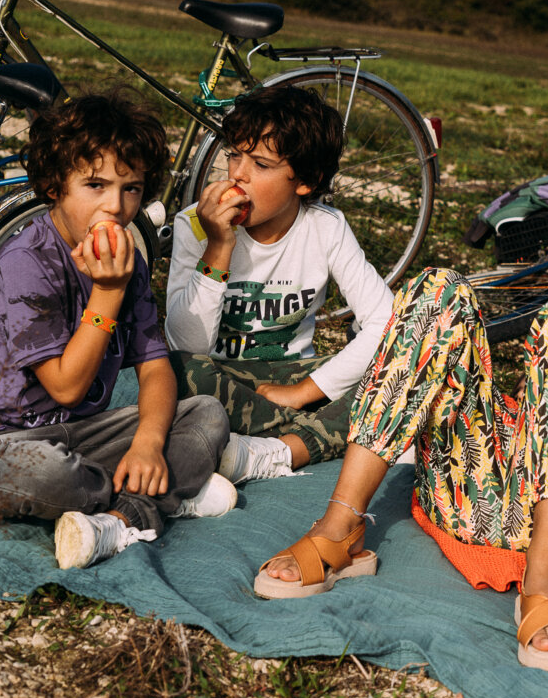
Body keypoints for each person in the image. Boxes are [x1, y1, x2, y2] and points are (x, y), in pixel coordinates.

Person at [253, 267, 548, 672]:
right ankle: (339, 524)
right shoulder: (486, 411)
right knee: (438, 287)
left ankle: (546, 576)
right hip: (466, 487)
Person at [0, 90, 235, 571]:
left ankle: (120, 516)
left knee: (207, 415)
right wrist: (108, 291)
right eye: (95, 184)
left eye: (131, 188)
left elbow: (154, 366)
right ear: (55, 186)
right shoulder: (27, 263)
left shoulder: (126, 257)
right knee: (42, 476)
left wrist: (148, 442)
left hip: (82, 435)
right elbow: (67, 387)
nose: (115, 205)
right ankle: (161, 497)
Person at [165, 84, 393, 484]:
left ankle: (278, 450)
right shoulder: (196, 225)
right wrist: (218, 247)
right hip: (221, 378)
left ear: (305, 181)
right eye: (234, 154)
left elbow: (386, 324)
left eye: (261, 164)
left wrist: (302, 392)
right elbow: (187, 345)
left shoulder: (325, 228)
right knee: (173, 371)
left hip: (294, 378)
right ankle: (328, 434)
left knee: (398, 367)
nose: (237, 173)